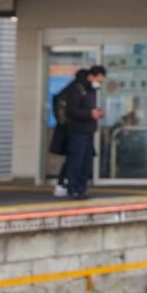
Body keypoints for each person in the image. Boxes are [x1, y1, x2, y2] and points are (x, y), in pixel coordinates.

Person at [62, 65, 106, 199]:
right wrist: (90, 113)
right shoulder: (77, 87)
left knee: (87, 162)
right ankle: (72, 188)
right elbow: (71, 111)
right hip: (77, 131)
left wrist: (97, 111)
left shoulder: (90, 89)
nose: (99, 83)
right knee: (77, 160)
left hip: (89, 131)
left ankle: (82, 188)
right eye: (98, 79)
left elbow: (88, 107)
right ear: (92, 75)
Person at [50, 67, 87, 196]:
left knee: (71, 158)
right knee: (73, 159)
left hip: (66, 128)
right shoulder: (75, 89)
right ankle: (63, 184)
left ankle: (62, 184)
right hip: (70, 129)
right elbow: (71, 111)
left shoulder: (69, 88)